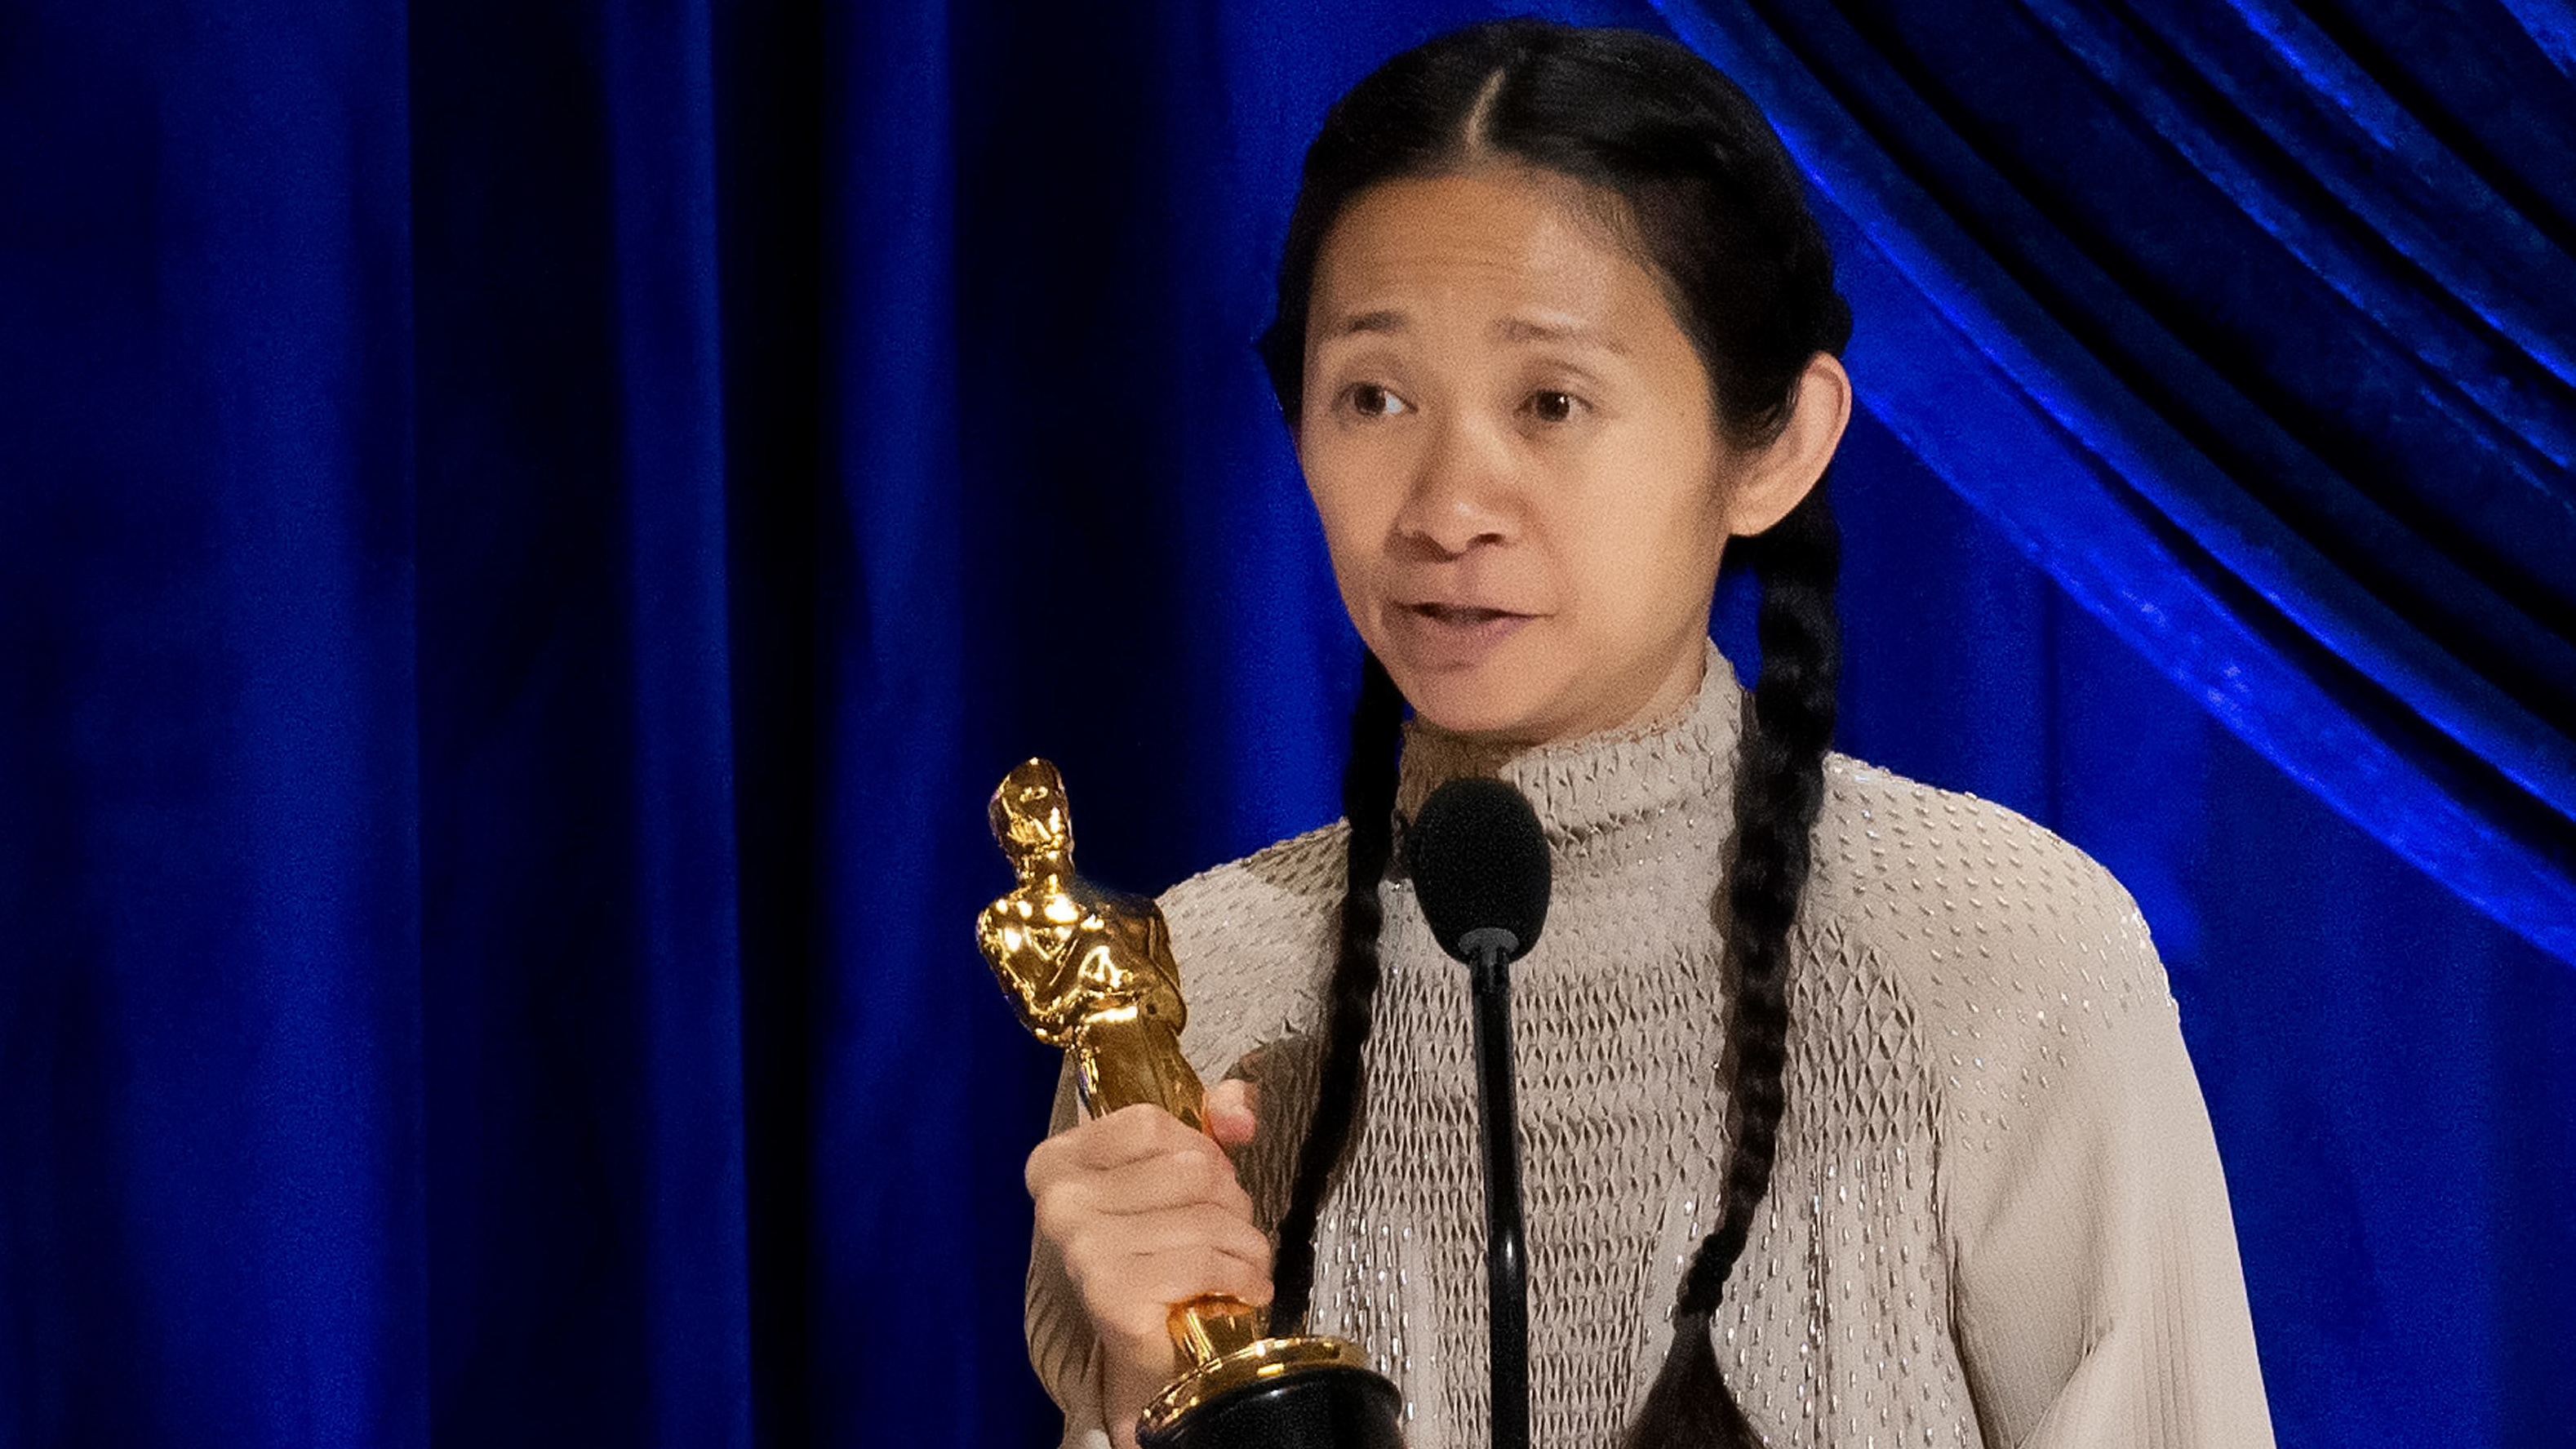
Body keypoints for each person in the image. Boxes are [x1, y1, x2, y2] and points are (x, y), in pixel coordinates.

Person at [1022, 20, 2274, 1449]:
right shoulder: (1196, 998)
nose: (1446, 506)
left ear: (1779, 445)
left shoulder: (1999, 955)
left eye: (1552, 402)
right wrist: (1138, 1397)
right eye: (1373, 397)